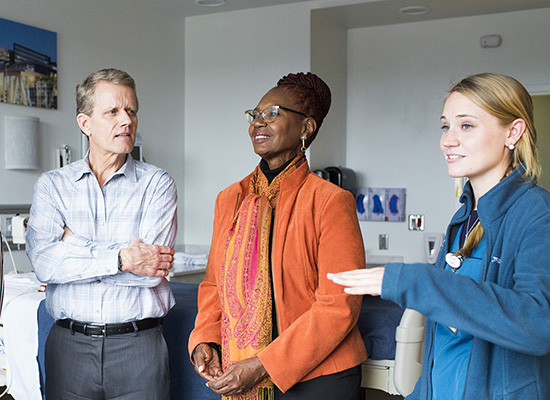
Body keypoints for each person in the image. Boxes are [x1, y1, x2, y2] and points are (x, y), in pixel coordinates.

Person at [328, 73, 550, 399]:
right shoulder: (463, 219)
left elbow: (538, 325)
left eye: (466, 126)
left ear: (512, 132)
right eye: (445, 126)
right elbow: (447, 344)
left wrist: (413, 281)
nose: (447, 140)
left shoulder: (541, 216)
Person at [188, 72, 367, 400]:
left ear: (306, 128)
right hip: (240, 364)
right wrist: (205, 340)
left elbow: (339, 305)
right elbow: (214, 286)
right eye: (255, 115)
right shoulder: (229, 199)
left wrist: (263, 364)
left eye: (273, 113)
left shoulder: (330, 202)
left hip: (321, 377)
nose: (258, 122)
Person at [26, 68, 178, 400]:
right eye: (112, 112)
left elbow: (149, 275)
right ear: (85, 124)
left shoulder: (157, 184)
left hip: (139, 348)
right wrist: (122, 258)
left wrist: (73, 243)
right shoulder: (53, 186)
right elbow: (44, 264)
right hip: (69, 347)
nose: (127, 120)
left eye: (131, 111)